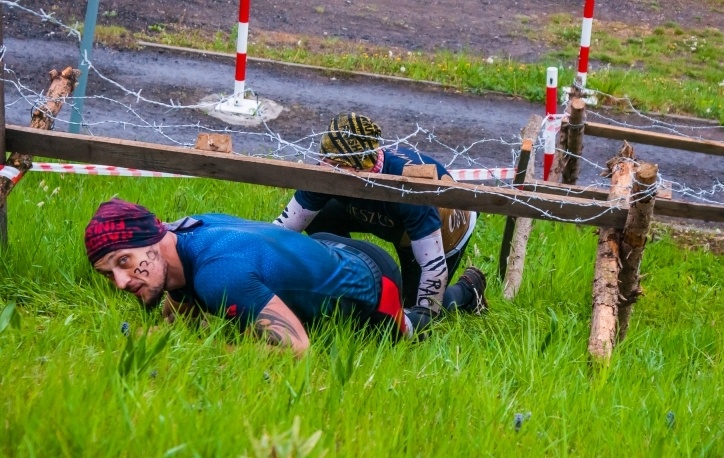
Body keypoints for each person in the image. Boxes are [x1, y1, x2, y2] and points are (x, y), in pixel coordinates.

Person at [85, 198, 487, 356]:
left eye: (124, 261)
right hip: (325, 248)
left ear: (153, 238)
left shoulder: (219, 275)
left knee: (416, 326)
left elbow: (298, 349)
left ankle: (468, 290)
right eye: (109, 274)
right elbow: (180, 301)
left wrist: (212, 349)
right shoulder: (184, 232)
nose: (121, 282)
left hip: (373, 281)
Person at [275, 112, 482, 324]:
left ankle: (468, 289)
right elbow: (282, 230)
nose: (327, 172)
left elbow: (433, 267)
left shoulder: (408, 186)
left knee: (404, 308)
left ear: (361, 166)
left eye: (338, 167)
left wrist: (424, 319)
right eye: (325, 161)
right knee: (321, 213)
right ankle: (344, 271)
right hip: (385, 211)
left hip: (444, 225)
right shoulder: (330, 168)